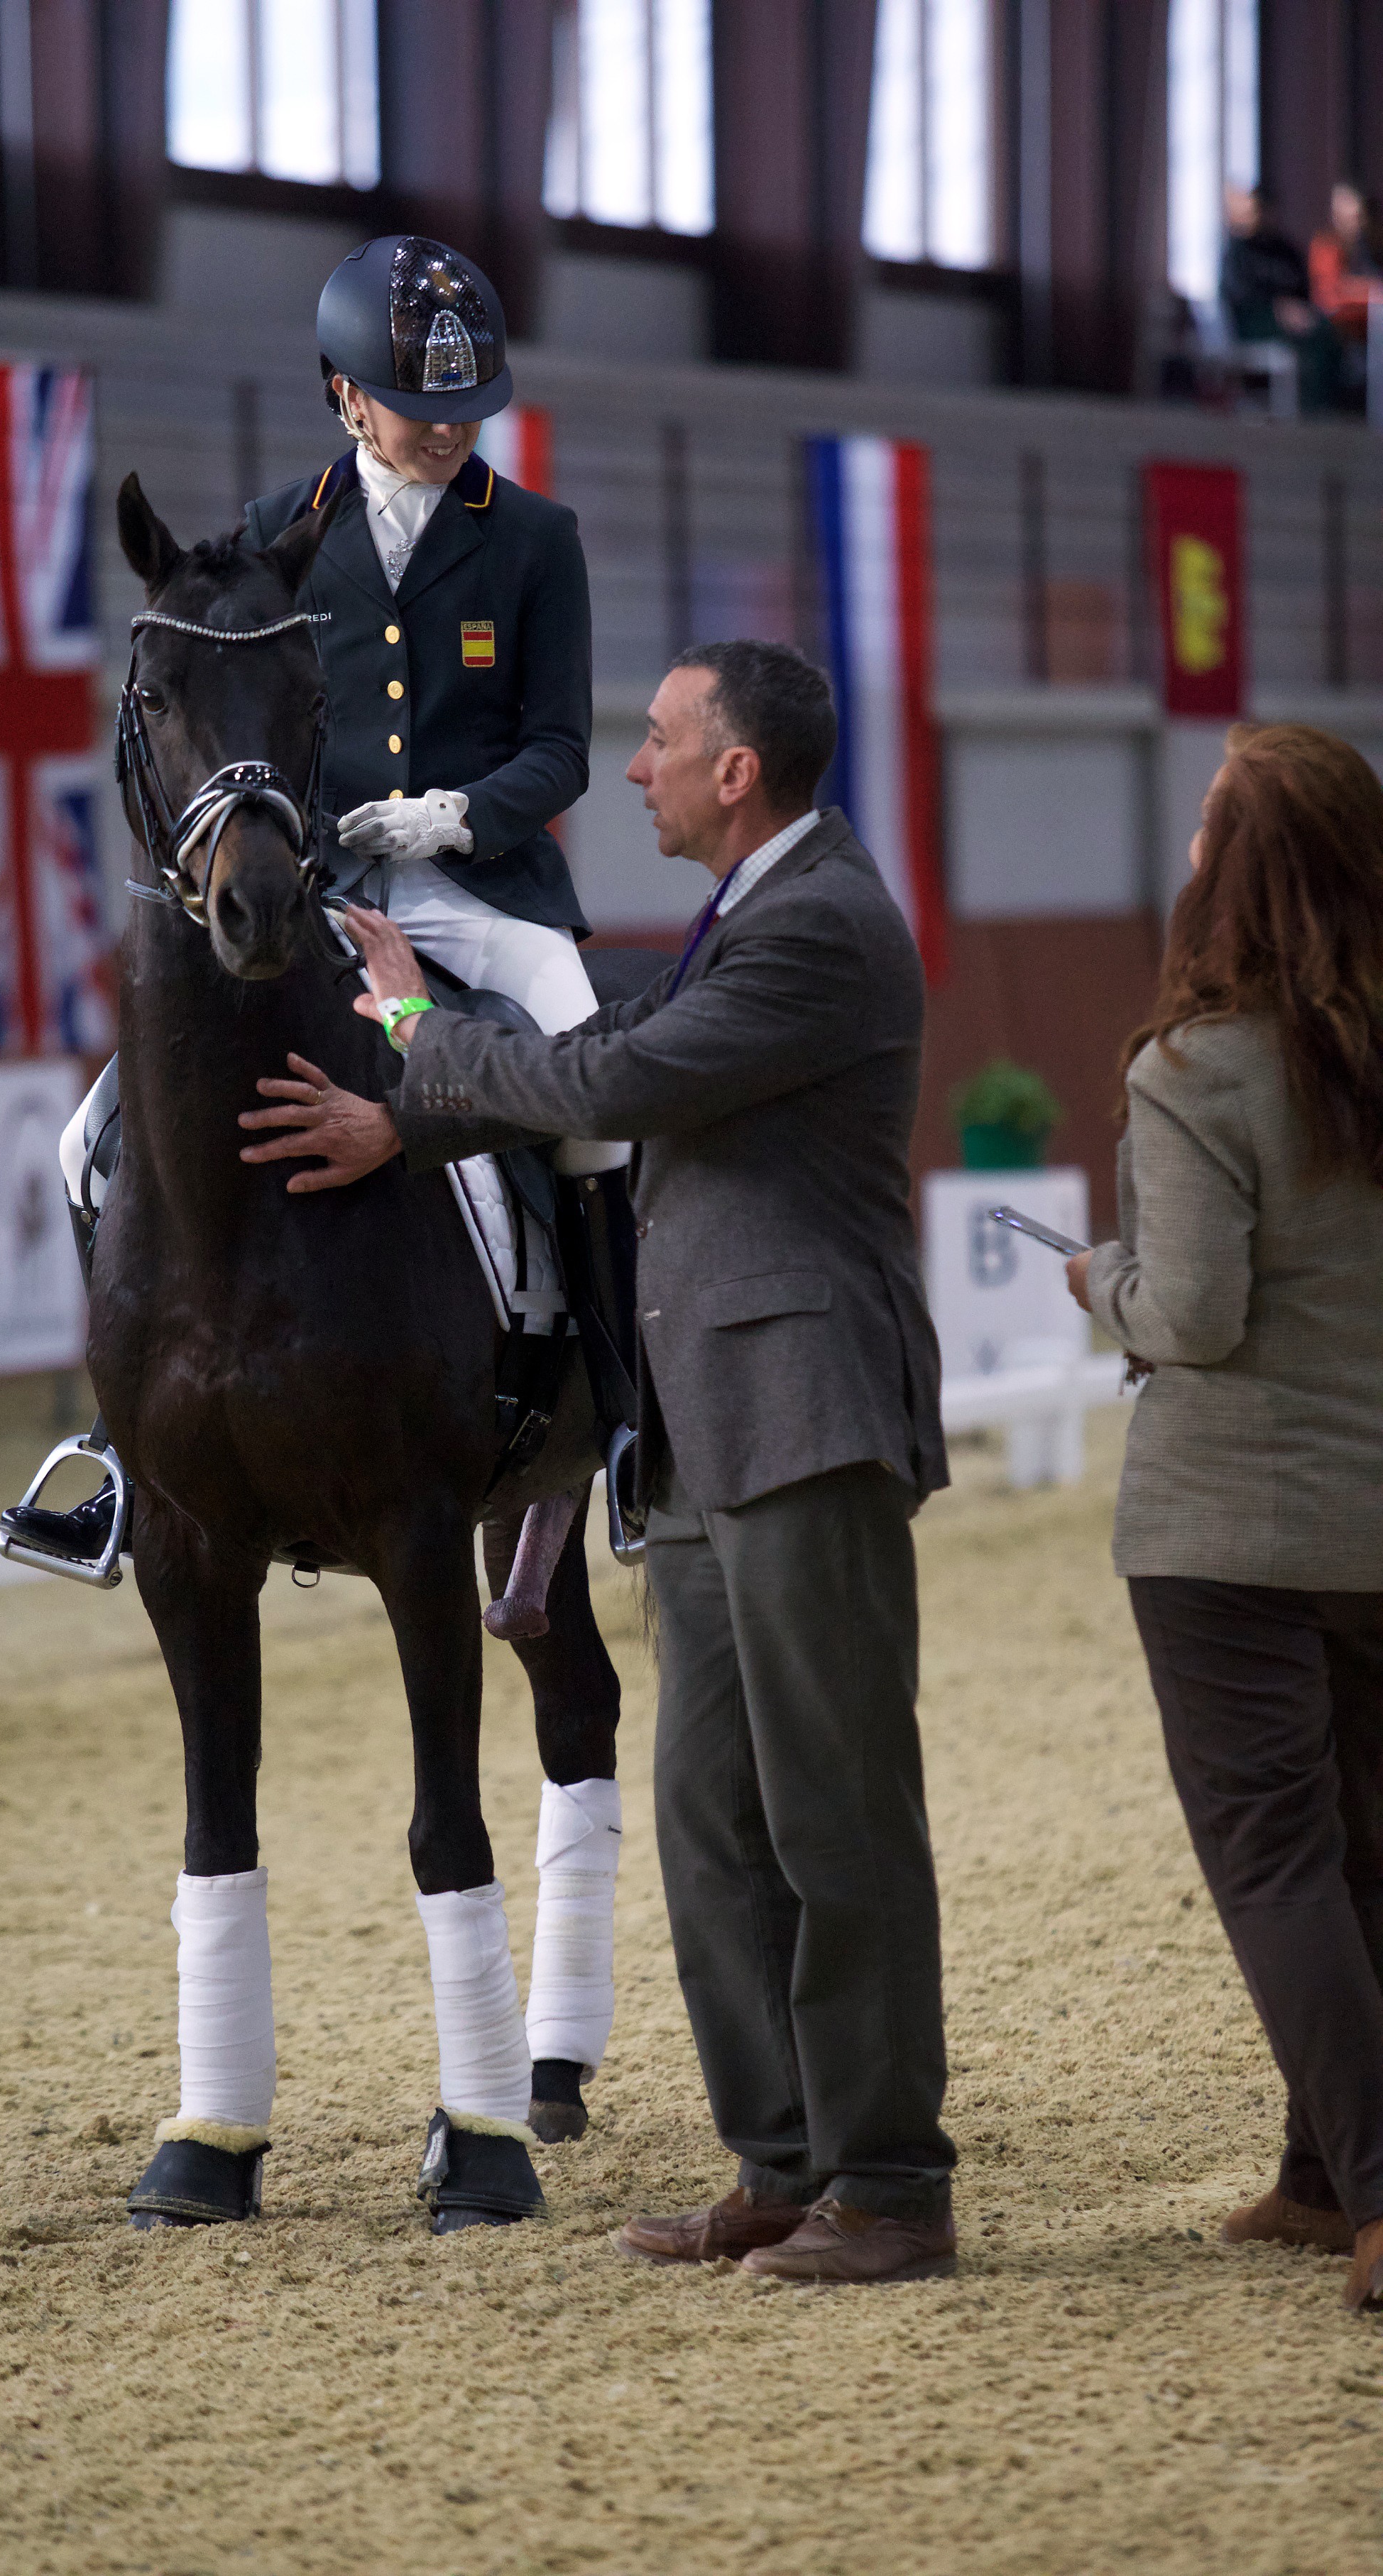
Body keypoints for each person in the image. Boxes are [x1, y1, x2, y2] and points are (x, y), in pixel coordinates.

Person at [238, 640, 960, 2286]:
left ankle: (893, 2183)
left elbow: (616, 1079)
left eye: (657, 741)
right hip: (702, 1423)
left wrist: (419, 1026)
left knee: (835, 1808)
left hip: (805, 1412)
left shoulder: (819, 927)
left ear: (736, 771)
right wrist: (409, 1108)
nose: (631, 767)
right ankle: (779, 2159)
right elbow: (618, 1038)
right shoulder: (750, 912)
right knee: (712, 1809)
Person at [2, 231, 630, 1573]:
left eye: (471, 409)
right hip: (323, 896)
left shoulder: (532, 540)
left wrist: (455, 812)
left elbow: (563, 746)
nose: (451, 432)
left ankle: (628, 1421)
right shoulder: (276, 536)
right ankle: (126, 1451)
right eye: (421, 407)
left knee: (591, 1108)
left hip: (483, 893)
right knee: (81, 1141)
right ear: (345, 394)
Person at [1066, 723, 1383, 2317]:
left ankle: (1381, 2188)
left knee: (1273, 1858)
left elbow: (1185, 1309)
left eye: (1206, 830)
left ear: (1241, 871)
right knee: (1367, 1853)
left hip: (1226, 1536)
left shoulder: (1194, 1067)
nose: (1188, 855)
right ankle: (1327, 2177)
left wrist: (1095, 1281)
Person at [1219, 185, 1338, 414]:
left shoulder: (1286, 250)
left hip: (1298, 316)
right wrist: (1276, 309)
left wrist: (1299, 310)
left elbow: (1304, 288)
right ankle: (1301, 409)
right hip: (1254, 321)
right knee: (1299, 345)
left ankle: (1322, 406)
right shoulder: (1238, 250)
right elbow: (1237, 296)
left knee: (1326, 333)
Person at [1308, 182, 1383, 409]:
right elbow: (1329, 296)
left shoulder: (1372, 246)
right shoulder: (1326, 245)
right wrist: (1370, 290)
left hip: (1371, 324)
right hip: (1337, 325)